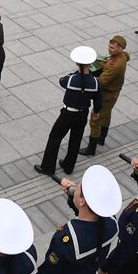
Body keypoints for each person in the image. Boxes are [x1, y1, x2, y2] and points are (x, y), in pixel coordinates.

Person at [33, 45, 103, 178]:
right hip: (82, 114)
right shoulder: (95, 82)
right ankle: (68, 166)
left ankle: (48, 167)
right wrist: (96, 111)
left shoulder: (71, 79)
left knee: (55, 137)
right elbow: (99, 100)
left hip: (68, 114)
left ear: (77, 63)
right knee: (75, 140)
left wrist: (76, 73)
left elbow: (61, 81)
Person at [83, 36, 129, 154]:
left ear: (120, 49)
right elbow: (123, 57)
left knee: (95, 119)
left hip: (107, 94)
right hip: (113, 93)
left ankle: (91, 148)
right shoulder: (123, 56)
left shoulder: (115, 66)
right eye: (109, 46)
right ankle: (101, 138)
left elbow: (102, 81)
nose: (109, 50)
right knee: (106, 115)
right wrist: (104, 64)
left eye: (112, 48)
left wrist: (88, 76)